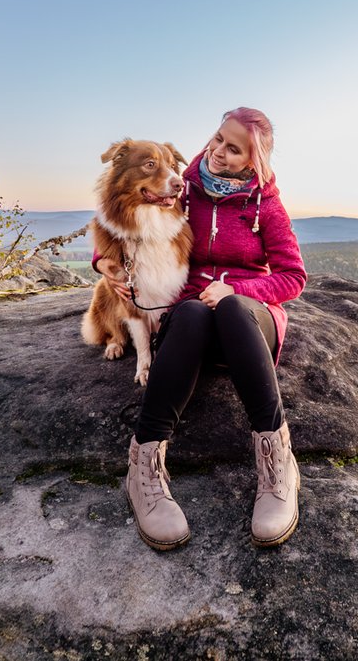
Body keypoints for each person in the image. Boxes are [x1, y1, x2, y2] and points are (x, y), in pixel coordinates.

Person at [96, 107, 307, 551]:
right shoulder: (182, 186)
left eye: (234, 149)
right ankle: (145, 466)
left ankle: (276, 463)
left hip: (250, 322)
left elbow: (293, 277)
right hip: (190, 325)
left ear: (254, 160)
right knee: (191, 311)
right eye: (217, 139)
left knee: (229, 310)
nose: (218, 152)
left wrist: (235, 289)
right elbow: (121, 226)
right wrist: (103, 263)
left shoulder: (266, 204)